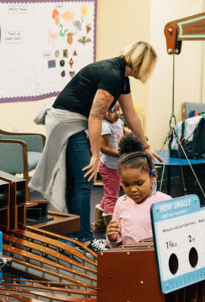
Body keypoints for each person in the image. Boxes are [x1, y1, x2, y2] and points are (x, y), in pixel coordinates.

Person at [30, 41, 160, 247]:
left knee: (77, 181)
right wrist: (95, 155)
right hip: (68, 122)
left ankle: (75, 234)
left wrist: (145, 145)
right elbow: (95, 117)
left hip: (78, 120)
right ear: (143, 64)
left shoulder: (122, 77)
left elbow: (131, 114)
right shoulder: (112, 75)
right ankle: (83, 238)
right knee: (84, 179)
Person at [104, 134, 172, 249]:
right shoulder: (121, 203)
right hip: (130, 259)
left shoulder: (165, 201)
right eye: (126, 184)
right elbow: (116, 242)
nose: (133, 189)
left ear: (153, 175)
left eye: (139, 183)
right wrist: (112, 237)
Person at [93, 102, 124, 232]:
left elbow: (123, 131)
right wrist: (120, 154)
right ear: (104, 112)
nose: (118, 113)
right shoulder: (105, 126)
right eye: (113, 111)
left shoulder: (117, 122)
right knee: (112, 197)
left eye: (119, 110)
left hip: (116, 165)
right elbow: (103, 148)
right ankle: (111, 228)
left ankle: (99, 224)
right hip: (109, 167)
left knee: (109, 194)